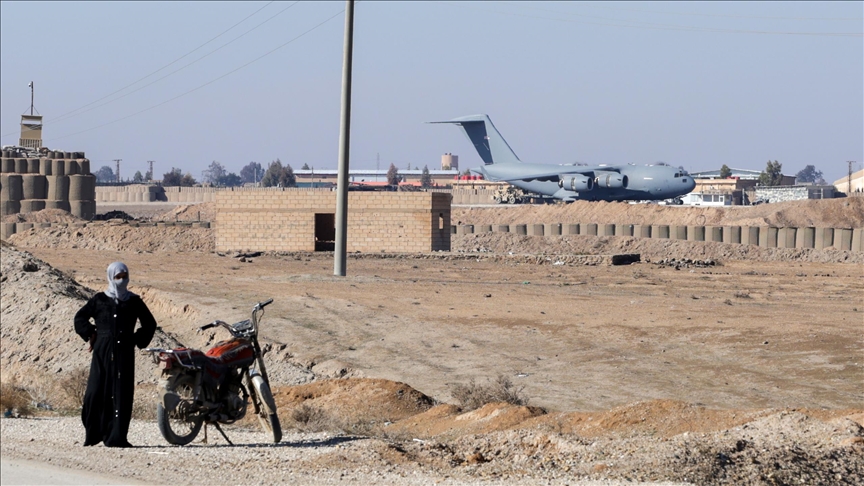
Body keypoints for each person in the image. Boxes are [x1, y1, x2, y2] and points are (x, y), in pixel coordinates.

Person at [74, 262, 157, 447]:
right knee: (95, 391)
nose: (121, 280)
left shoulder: (134, 301)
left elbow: (150, 324)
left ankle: (117, 437)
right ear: (110, 277)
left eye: (124, 276)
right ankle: (94, 433)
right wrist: (91, 333)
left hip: (124, 352)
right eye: (118, 277)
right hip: (102, 350)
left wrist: (136, 340)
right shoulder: (100, 299)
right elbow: (79, 318)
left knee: (121, 392)